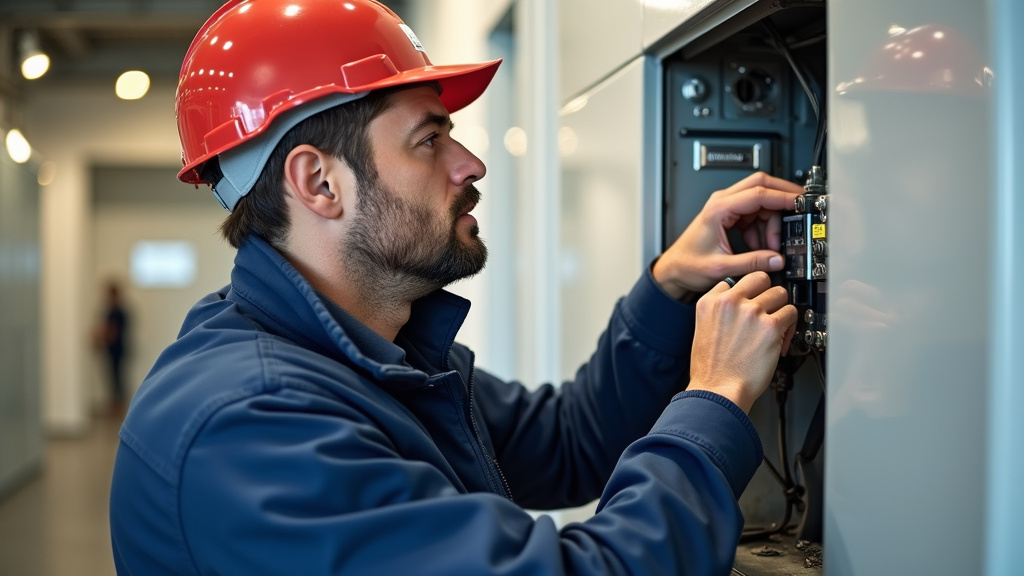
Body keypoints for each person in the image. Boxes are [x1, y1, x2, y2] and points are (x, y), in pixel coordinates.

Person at [109, 1, 802, 574]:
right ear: (319, 183)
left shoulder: (373, 356)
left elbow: (570, 444)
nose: (471, 163)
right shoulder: (254, 427)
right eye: (428, 139)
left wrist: (670, 287)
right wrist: (717, 396)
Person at [95, 279, 129, 416]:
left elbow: (113, 332)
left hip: (117, 350)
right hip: (114, 349)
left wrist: (100, 338)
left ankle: (118, 407)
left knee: (117, 378)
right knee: (115, 378)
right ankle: (116, 405)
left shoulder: (117, 312)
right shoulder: (116, 311)